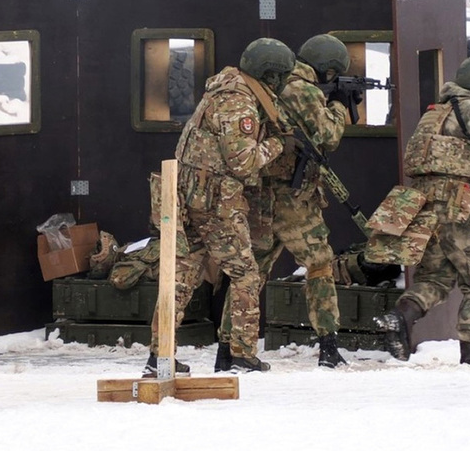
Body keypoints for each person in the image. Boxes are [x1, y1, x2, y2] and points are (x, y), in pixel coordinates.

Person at [144, 38, 295, 375]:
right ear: (270, 75)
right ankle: (242, 354)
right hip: (215, 202)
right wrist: (277, 144)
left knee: (180, 277)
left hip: (189, 198)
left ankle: (159, 358)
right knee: (245, 273)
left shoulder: (223, 90)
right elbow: (243, 161)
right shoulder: (239, 100)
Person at [215, 34, 353, 371]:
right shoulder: (304, 89)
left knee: (252, 272)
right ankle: (329, 347)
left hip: (260, 195)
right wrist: (338, 105)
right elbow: (327, 137)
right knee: (320, 264)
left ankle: (226, 350)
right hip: (293, 199)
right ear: (329, 68)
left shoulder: (268, 85)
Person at [375, 56, 470, 367]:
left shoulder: (436, 113)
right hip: (457, 207)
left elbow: (449, 161)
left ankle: (400, 316)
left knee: (436, 278)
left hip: (426, 204)